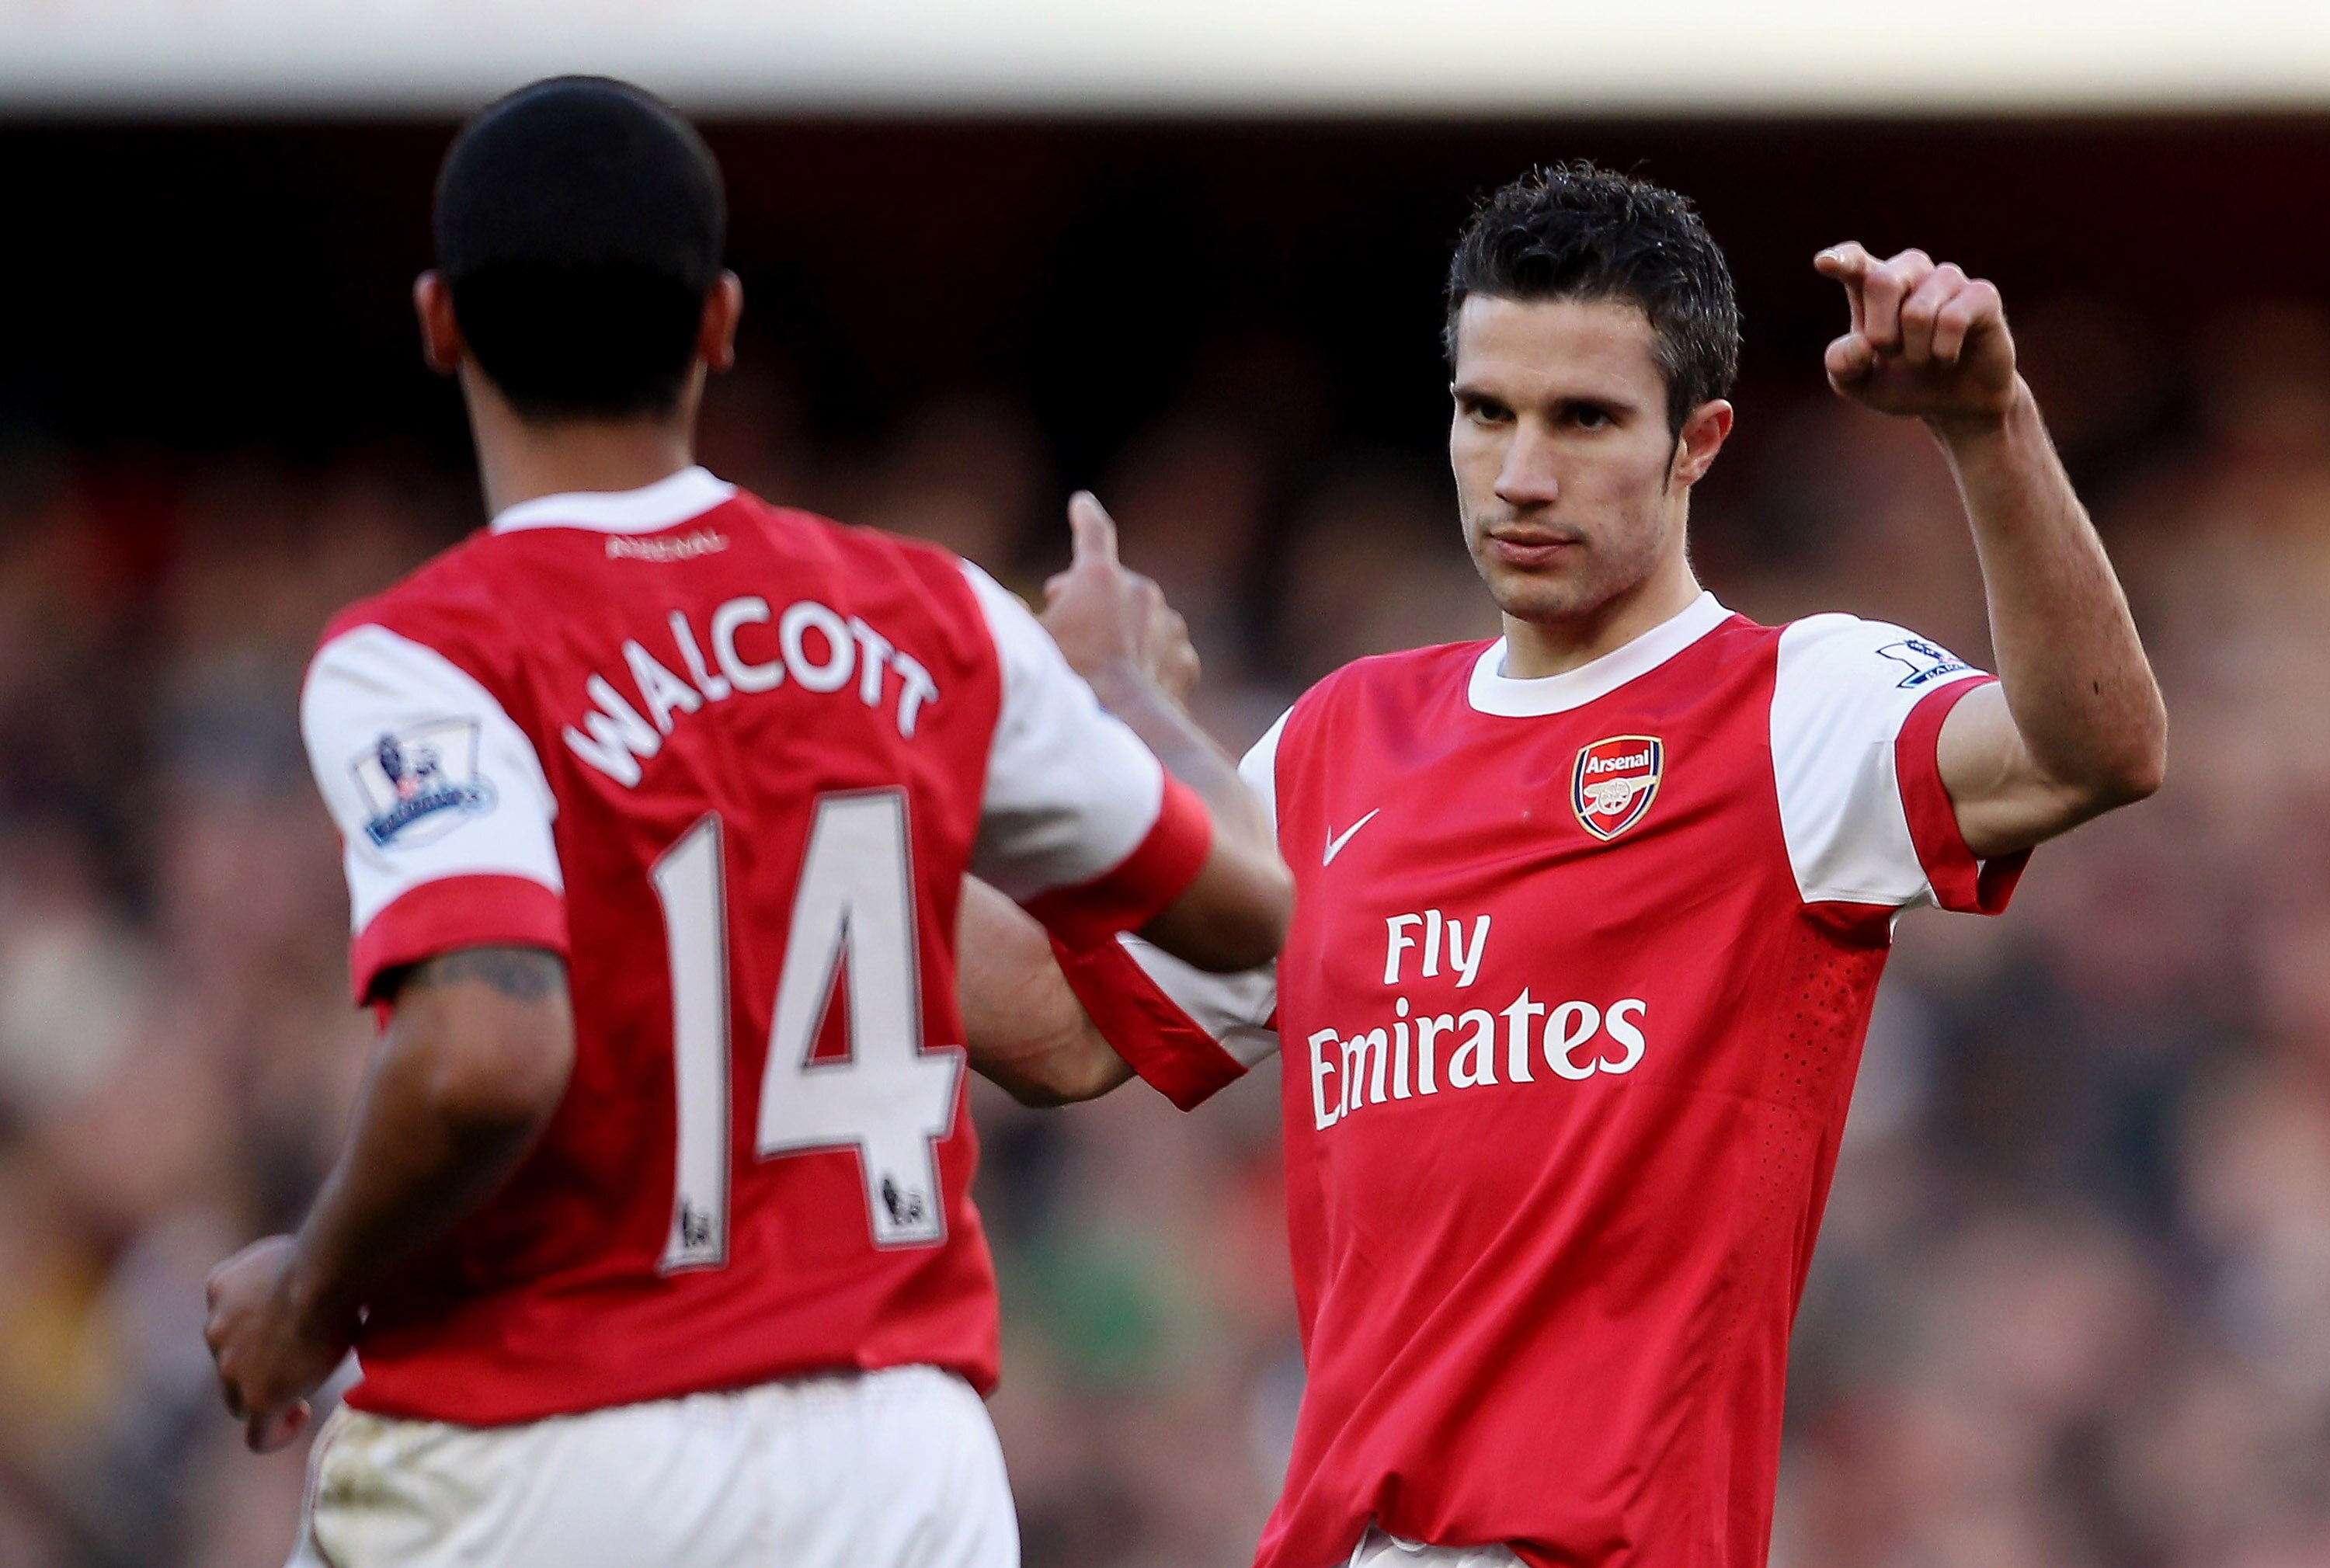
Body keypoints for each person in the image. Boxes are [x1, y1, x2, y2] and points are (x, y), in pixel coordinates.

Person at [1003, 165, 2168, 1567]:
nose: (1521, 474)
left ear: (1699, 442)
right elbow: (1063, 1032)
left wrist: (1987, 427)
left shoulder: (1795, 705)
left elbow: (2095, 750)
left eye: (1586, 419)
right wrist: (850, 782)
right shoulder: (1337, 741)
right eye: (1485, 411)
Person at [199, 77, 1290, 1568]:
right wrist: (1128, 698)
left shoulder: (428, 653)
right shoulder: (932, 615)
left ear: (441, 323)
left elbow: (482, 1049)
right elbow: (1241, 916)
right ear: (718, 322)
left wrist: (308, 1291)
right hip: (904, 1470)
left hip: (552, 1450)